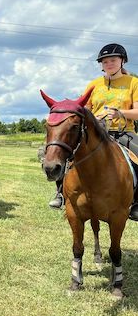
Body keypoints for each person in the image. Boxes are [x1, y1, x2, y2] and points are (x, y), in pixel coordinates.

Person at [48, 43, 138, 220]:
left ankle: (136, 201)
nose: (109, 64)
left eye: (113, 60)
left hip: (123, 132)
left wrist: (120, 112)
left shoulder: (133, 83)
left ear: (122, 61)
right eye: (104, 61)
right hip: (95, 133)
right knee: (65, 152)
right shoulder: (94, 85)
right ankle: (60, 193)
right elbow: (84, 111)